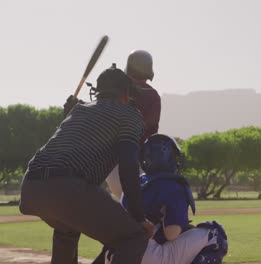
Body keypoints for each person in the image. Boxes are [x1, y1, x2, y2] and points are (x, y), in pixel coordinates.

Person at [19, 64, 154, 264]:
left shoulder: (79, 111)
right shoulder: (129, 114)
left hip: (30, 188)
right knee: (133, 237)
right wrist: (138, 217)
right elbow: (128, 166)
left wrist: (70, 114)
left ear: (97, 92)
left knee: (67, 228)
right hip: (68, 187)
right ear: (126, 94)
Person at [95, 134, 228, 264]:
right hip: (147, 255)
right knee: (216, 234)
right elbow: (171, 234)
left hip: (116, 255)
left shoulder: (133, 182)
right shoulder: (173, 185)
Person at [105, 49, 162, 201]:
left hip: (111, 167)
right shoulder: (153, 95)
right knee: (148, 211)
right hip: (136, 164)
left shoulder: (115, 92)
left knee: (125, 210)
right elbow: (151, 135)